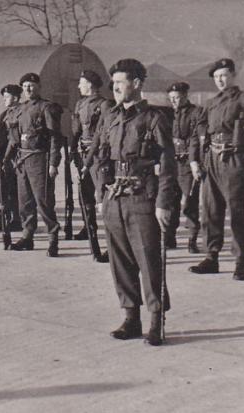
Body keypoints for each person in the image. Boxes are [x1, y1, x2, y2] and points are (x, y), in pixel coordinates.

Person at [86, 59, 176, 345]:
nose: (115, 87)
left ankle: (156, 320)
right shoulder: (109, 117)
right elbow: (98, 158)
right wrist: (101, 193)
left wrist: (163, 202)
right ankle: (130, 317)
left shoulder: (153, 119)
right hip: (115, 198)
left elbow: (168, 162)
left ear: (137, 84)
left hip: (142, 197)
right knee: (120, 261)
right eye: (113, 83)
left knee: (148, 260)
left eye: (121, 82)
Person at [188, 58, 244, 280]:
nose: (220, 80)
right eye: (216, 77)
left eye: (223, 75)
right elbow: (200, 130)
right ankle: (211, 257)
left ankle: (240, 262)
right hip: (212, 159)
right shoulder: (211, 102)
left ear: (233, 75)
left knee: (236, 213)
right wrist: (198, 158)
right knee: (211, 212)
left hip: (232, 160)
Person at [7, 73, 63, 257]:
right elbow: (13, 139)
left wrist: (53, 163)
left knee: (44, 202)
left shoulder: (46, 107)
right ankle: (27, 236)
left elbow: (55, 137)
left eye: (31, 85)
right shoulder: (19, 110)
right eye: (25, 87)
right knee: (25, 203)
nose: (28, 89)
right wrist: (6, 159)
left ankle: (53, 238)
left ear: (38, 86)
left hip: (40, 159)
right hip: (22, 161)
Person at [70, 70, 110, 263]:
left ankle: (112, 244)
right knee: (84, 197)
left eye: (81, 82)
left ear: (91, 84)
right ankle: (90, 232)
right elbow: (76, 130)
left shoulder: (104, 105)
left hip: (98, 157)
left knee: (103, 198)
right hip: (83, 155)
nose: (79, 86)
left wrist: (89, 159)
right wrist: (72, 150)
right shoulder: (80, 104)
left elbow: (101, 134)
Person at [164, 81, 202, 253]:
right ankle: (170, 237)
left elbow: (197, 138)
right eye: (171, 98)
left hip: (188, 162)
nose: (174, 102)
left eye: (177, 98)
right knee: (171, 201)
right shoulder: (167, 114)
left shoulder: (196, 113)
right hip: (172, 163)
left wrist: (194, 161)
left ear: (186, 96)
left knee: (190, 201)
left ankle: (192, 239)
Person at [0, 84, 23, 232]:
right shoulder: (4, 114)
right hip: (6, 156)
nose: (4, 100)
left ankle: (19, 218)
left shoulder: (21, 112)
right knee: (9, 188)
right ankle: (11, 217)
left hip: (17, 156)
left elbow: (15, 138)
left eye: (7, 97)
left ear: (16, 98)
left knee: (19, 189)